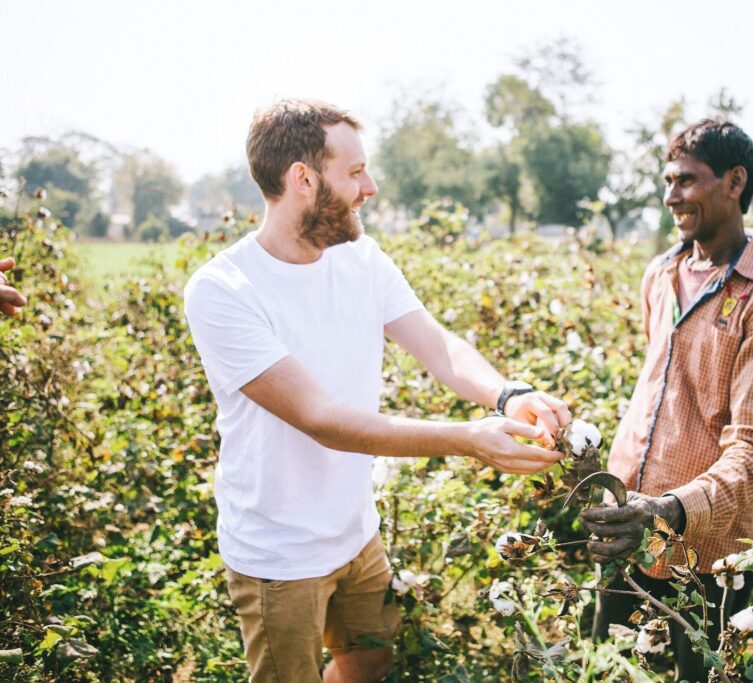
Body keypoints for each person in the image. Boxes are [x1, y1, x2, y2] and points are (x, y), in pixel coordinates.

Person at [183, 99, 570, 683]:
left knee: (368, 660)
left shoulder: (359, 257)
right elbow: (321, 418)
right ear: (303, 179)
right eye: (356, 172)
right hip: (280, 553)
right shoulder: (223, 290)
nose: (372, 186)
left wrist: (508, 395)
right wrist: (469, 440)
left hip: (355, 530)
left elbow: (438, 347)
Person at [582, 120, 753, 681]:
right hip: (625, 527)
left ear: (735, 182)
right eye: (667, 180)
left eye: (687, 180)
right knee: (604, 668)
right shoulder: (661, 273)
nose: (671, 196)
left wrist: (668, 512)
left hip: (708, 557)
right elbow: (660, 388)